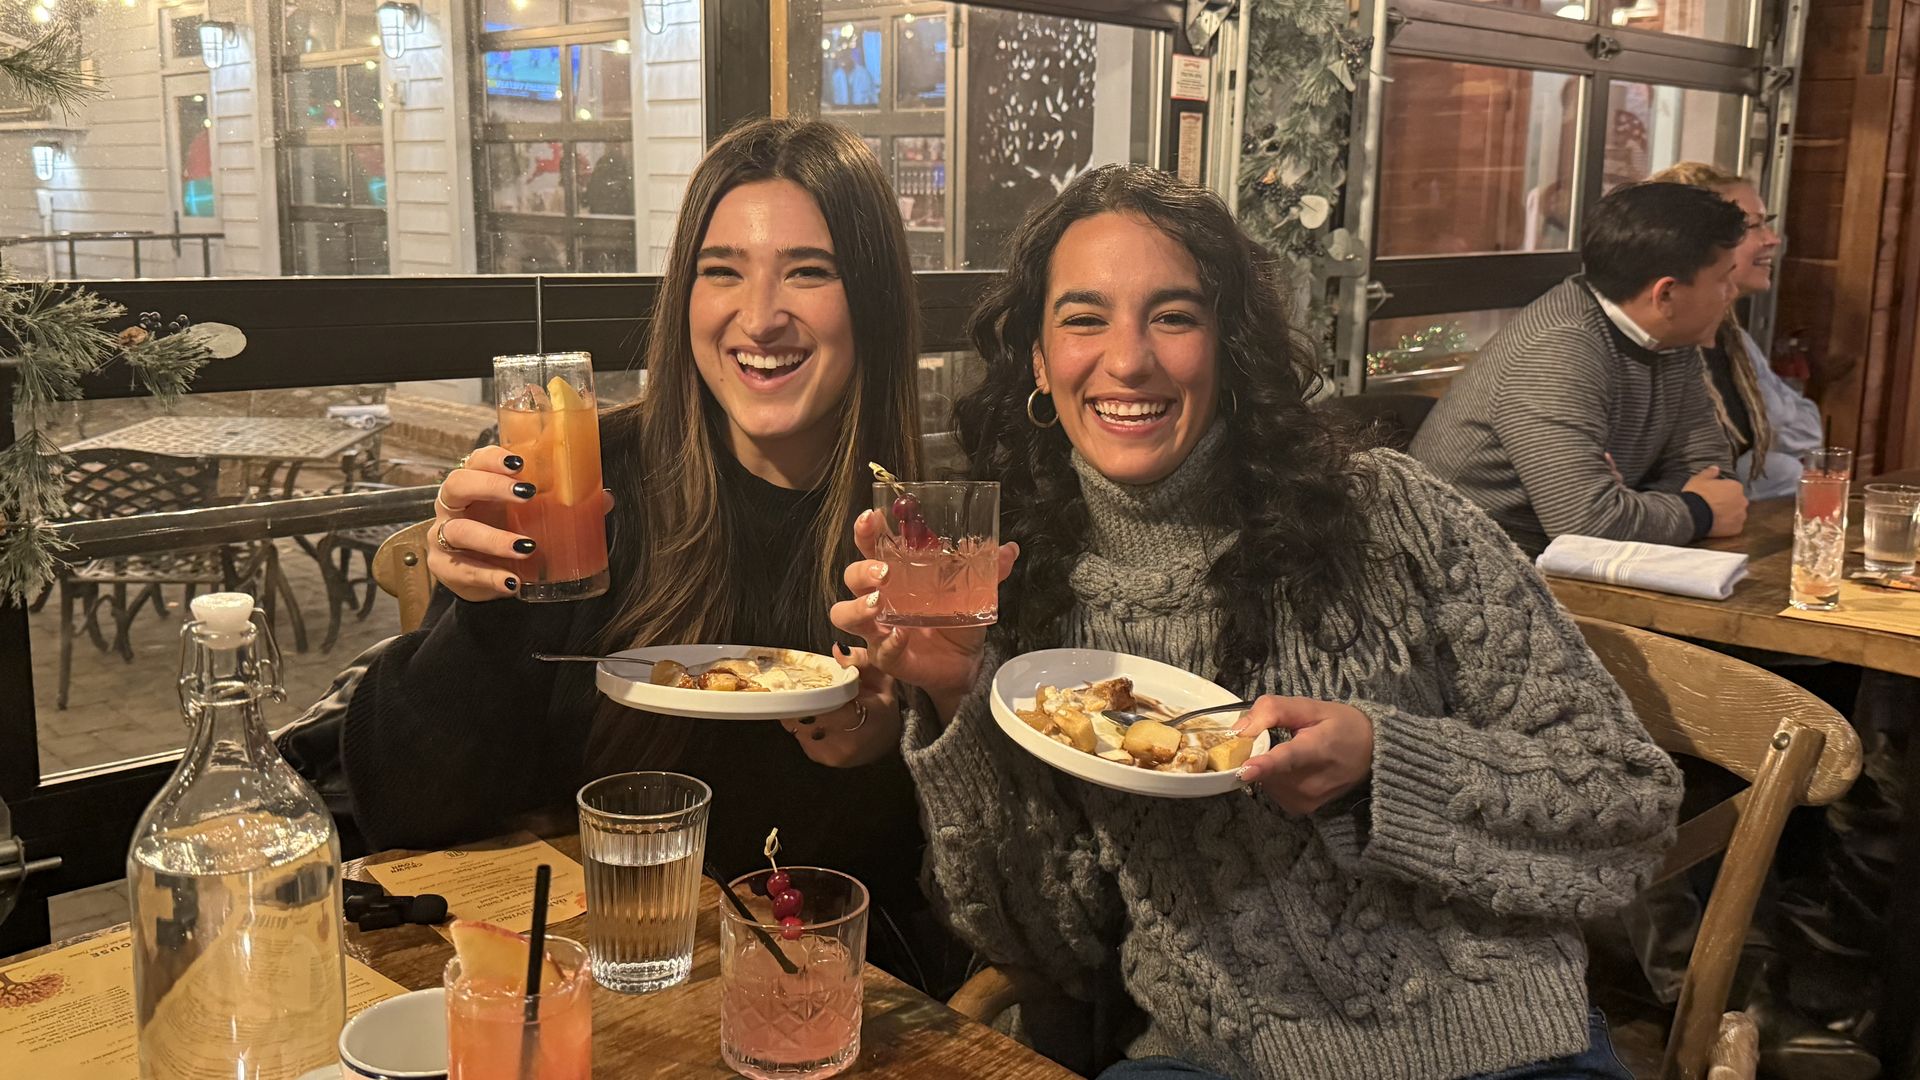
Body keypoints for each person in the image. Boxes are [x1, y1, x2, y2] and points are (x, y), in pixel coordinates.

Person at [832, 164, 1684, 1080]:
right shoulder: (1024, 599)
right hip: (1214, 1058)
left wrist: (1380, 767)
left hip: (1498, 1048)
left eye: (1173, 316)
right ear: (1039, 361)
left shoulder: (1390, 516)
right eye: (1084, 319)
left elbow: (1629, 808)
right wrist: (960, 695)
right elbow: (1050, 950)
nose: (1129, 361)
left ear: (1228, 345)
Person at [330, 118, 962, 993]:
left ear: (873, 302)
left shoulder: (916, 536)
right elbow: (407, 810)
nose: (760, 315)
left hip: (817, 990)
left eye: (809, 272)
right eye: (722, 271)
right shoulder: (578, 481)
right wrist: (480, 611)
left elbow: (940, 884)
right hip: (584, 973)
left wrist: (893, 747)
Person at [1410, 181, 1750, 554]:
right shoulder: (1558, 350)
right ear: (1665, 294)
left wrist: (1627, 504)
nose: (1732, 292)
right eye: (1723, 278)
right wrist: (1697, 511)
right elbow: (1586, 527)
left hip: (1559, 569)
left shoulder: (1673, 338)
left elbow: (1714, 476)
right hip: (1464, 571)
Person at [1650, 162, 1822, 501]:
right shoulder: (1661, 341)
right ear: (1694, 240)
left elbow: (1808, 429)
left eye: (1766, 224)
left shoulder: (1733, 338)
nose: (1772, 240)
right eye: (1752, 226)